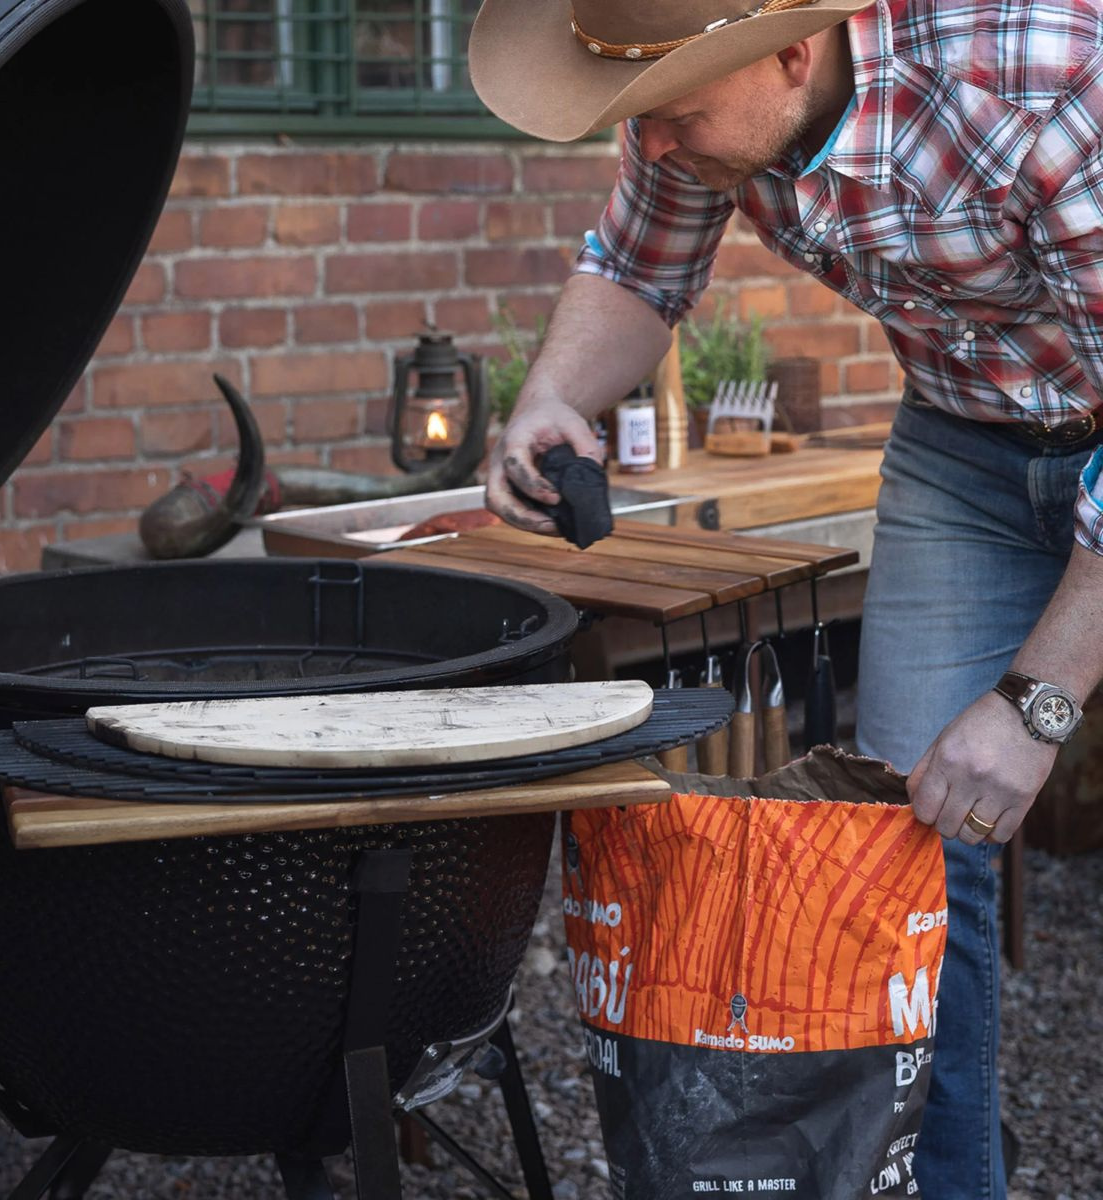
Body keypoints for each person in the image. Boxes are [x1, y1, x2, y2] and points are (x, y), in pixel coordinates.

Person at [467, 0, 1103, 1194]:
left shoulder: (1045, 82)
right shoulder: (695, 105)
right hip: (966, 446)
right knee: (922, 832)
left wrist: (1038, 705)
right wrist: (554, 394)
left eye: (674, 116)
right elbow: (636, 269)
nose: (652, 148)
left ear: (794, 53)